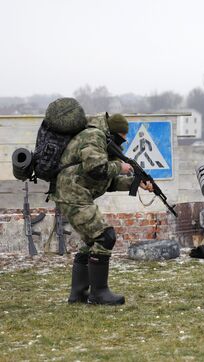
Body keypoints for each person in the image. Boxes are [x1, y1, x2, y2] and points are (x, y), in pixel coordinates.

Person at [49, 104, 153, 305]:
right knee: (105, 236)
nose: (123, 142)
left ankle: (78, 294)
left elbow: (106, 181)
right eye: (122, 137)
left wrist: (136, 183)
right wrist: (121, 166)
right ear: (113, 132)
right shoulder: (94, 136)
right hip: (73, 193)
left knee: (92, 242)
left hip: (74, 193)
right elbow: (96, 168)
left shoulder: (102, 140)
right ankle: (99, 293)